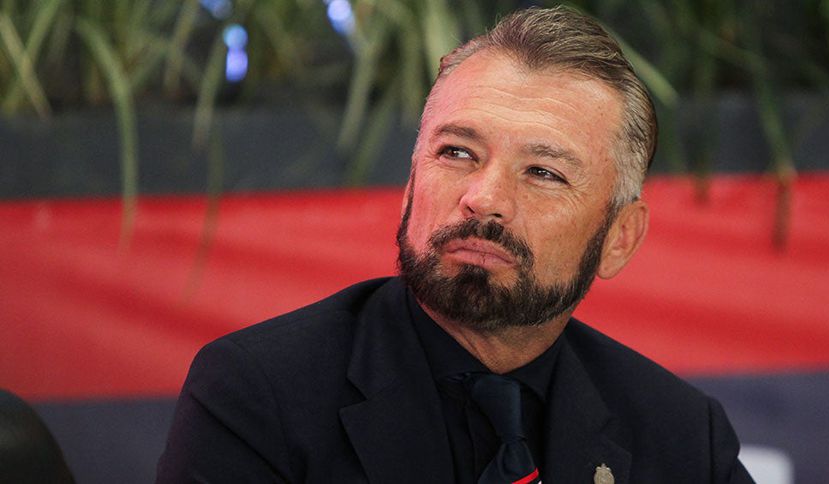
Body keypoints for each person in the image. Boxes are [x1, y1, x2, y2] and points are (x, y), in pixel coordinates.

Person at [158, 6, 753, 483]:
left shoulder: (682, 436)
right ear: (410, 185)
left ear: (619, 239)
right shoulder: (259, 393)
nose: (483, 198)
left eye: (543, 172)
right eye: (457, 153)